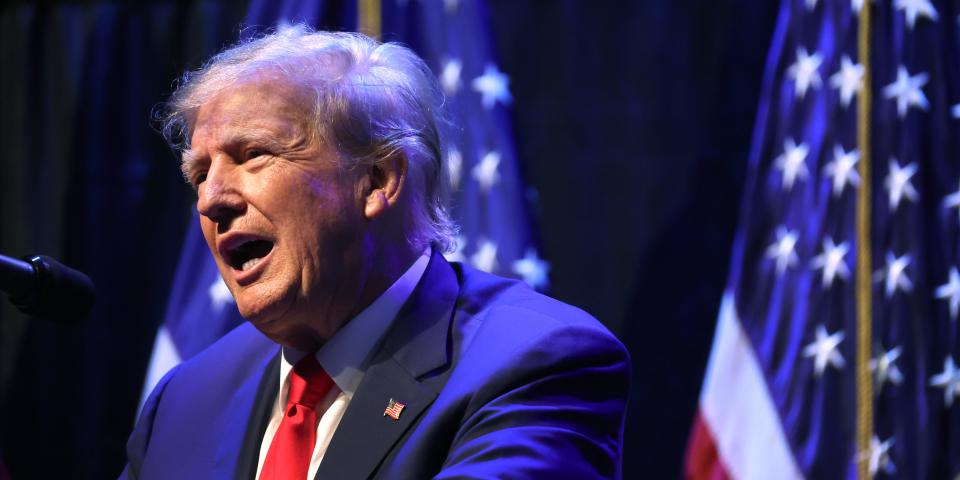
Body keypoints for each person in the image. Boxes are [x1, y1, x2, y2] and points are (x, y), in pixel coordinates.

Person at [121, 25, 630, 480]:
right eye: (198, 174)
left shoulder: (532, 363)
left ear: (377, 181)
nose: (211, 199)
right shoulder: (184, 401)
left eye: (254, 154)